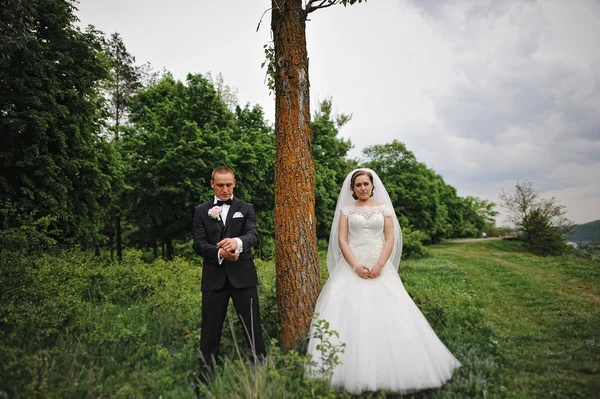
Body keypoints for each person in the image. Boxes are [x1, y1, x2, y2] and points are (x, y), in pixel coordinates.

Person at [306, 168, 461, 394]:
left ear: (372, 186)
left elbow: (390, 238)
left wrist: (379, 265)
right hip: (352, 267)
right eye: (358, 185)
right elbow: (342, 240)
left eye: (365, 184)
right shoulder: (346, 211)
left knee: (393, 314)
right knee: (350, 314)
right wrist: (356, 266)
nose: (362, 188)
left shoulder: (384, 209)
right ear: (352, 189)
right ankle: (346, 371)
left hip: (380, 266)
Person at [193, 166, 265, 380]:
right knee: (209, 333)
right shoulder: (201, 210)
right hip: (214, 280)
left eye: (229, 184)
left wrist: (236, 243)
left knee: (253, 331)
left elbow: (253, 234)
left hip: (243, 278)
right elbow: (198, 244)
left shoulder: (247, 208)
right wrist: (220, 253)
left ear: (234, 183)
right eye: (220, 185)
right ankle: (205, 381)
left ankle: (259, 377)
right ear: (212, 184)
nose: (225, 189)